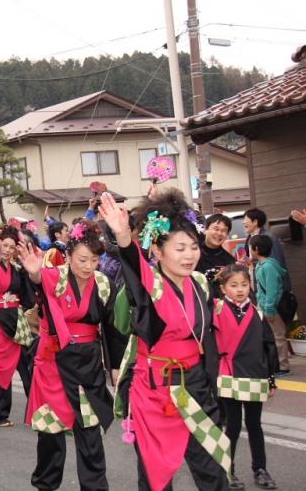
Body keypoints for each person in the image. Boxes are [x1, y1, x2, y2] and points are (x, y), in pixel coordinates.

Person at [99, 190, 229, 491]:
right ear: (157, 251)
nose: (189, 255)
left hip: (195, 384)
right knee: (156, 477)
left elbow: (208, 336)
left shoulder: (199, 283)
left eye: (194, 247)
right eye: (180, 248)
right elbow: (133, 269)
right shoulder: (150, 282)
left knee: (212, 468)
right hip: (156, 388)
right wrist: (123, 237)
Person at [19, 220, 123, 491]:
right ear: (67, 256)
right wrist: (33, 273)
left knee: (89, 430)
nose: (89, 266)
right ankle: (46, 484)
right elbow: (40, 279)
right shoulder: (56, 276)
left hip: (88, 361)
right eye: (83, 259)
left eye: (94, 259)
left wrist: (114, 366)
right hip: (53, 359)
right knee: (51, 433)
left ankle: (95, 487)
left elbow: (111, 328)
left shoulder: (103, 283)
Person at [212, 265, 278, 490]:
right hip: (229, 373)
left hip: (255, 374)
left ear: (250, 286)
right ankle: (227, 470)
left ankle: (260, 468)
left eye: (244, 284)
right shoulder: (217, 309)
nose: (240, 290)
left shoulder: (257, 313)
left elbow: (269, 347)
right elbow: (210, 347)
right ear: (223, 289)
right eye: (233, 285)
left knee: (254, 424)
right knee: (231, 425)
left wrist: (270, 379)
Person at [0, 225, 36, 427]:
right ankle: (0, 414)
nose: (8, 250)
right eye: (5, 245)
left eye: (12, 247)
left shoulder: (17, 269)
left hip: (16, 321)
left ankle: (36, 410)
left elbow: (28, 298)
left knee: (27, 367)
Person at [249, 235, 290, 378]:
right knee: (269, 336)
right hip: (265, 306)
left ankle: (283, 366)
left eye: (250, 247)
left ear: (257, 249)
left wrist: (269, 310)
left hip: (271, 308)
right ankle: (275, 364)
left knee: (278, 336)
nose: (249, 250)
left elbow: (272, 291)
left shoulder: (269, 267)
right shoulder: (262, 265)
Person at [196, 214, 236, 297]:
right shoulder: (193, 252)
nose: (219, 233)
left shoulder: (229, 261)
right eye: (216, 229)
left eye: (224, 230)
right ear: (205, 229)